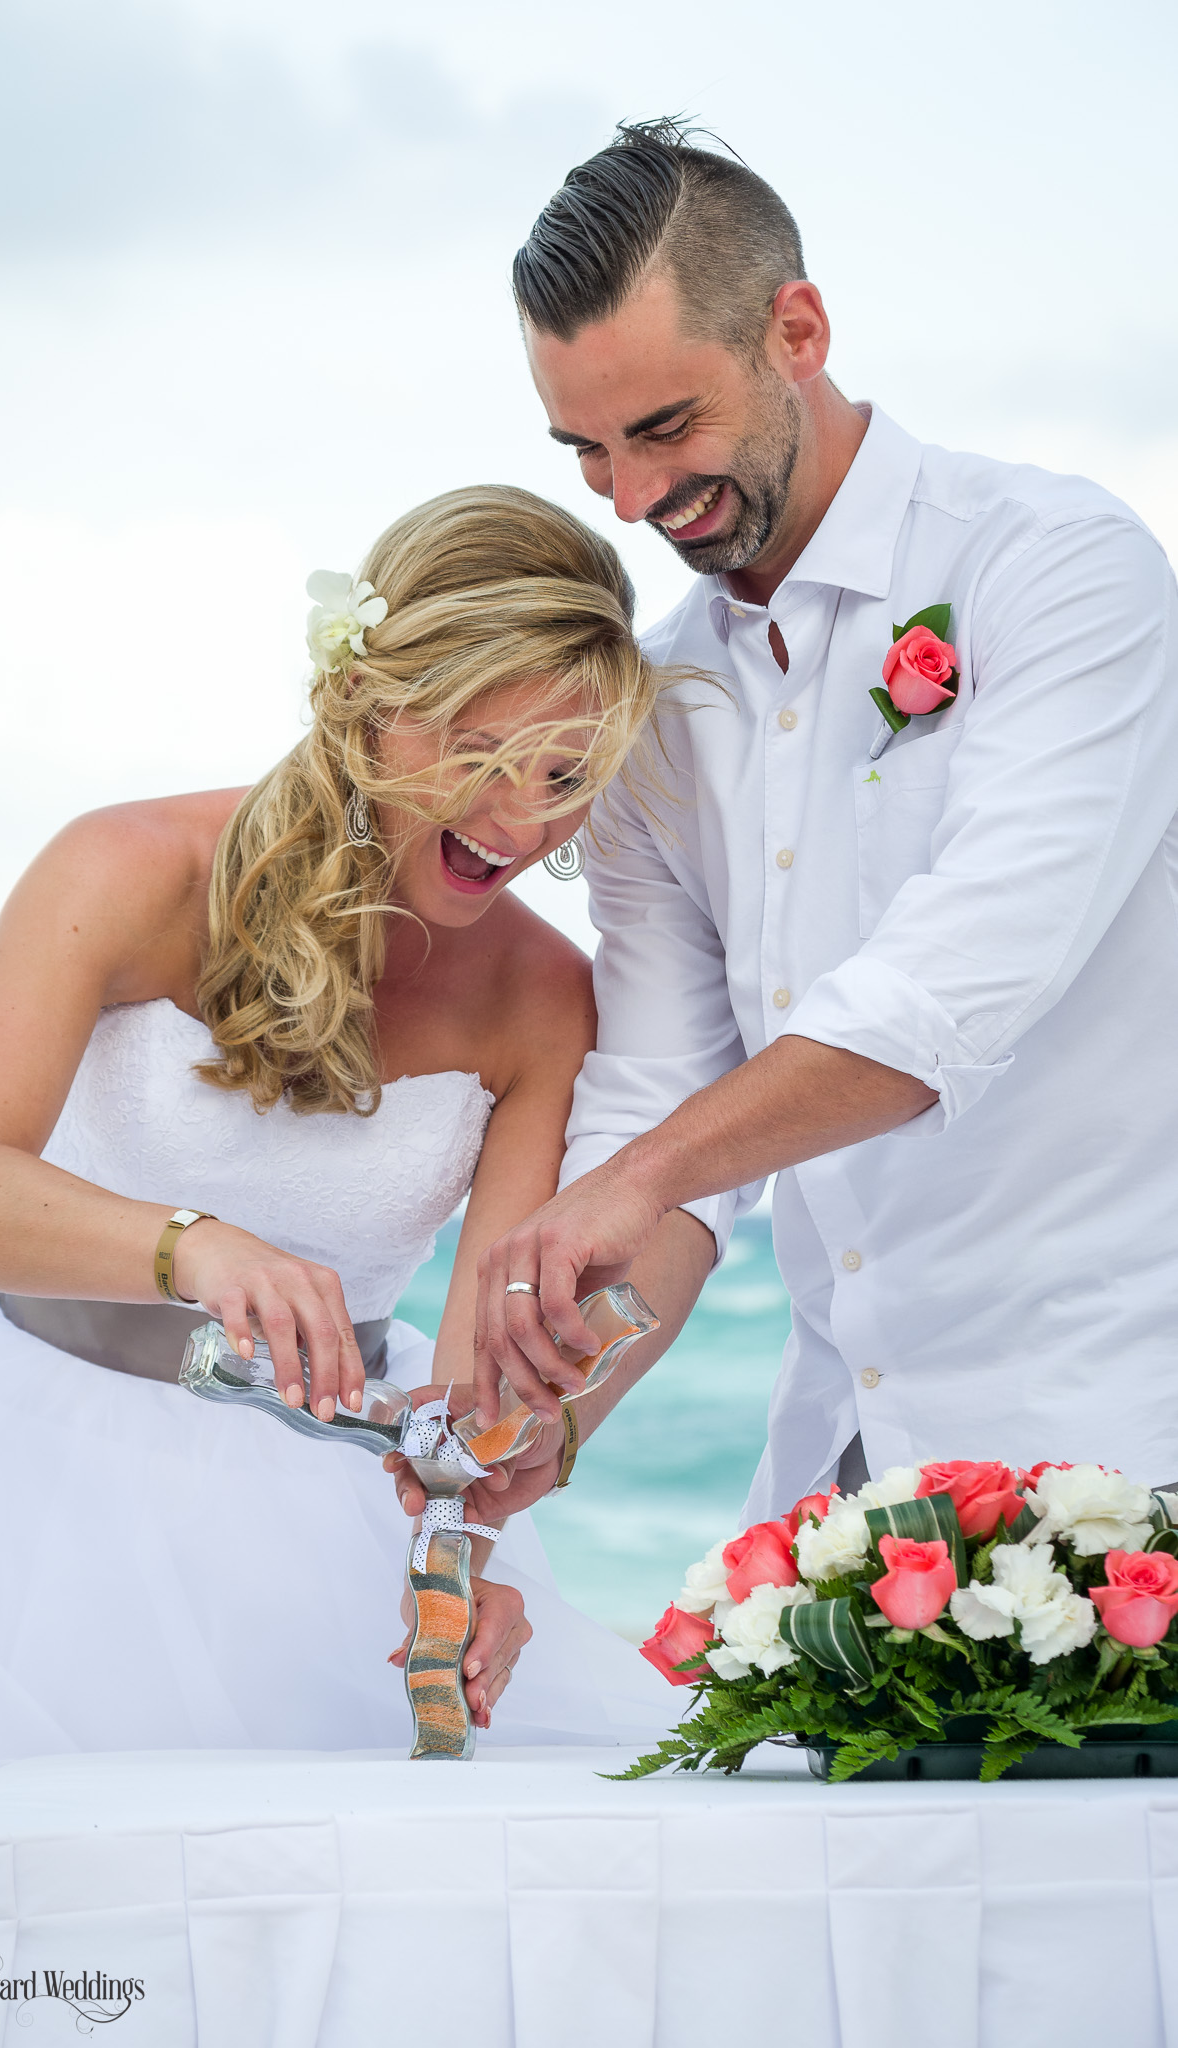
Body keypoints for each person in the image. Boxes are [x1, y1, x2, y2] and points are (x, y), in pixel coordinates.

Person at [0, 484, 677, 1846]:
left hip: (326, 1521)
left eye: (565, 778)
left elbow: (470, 1397)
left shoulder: (544, 998)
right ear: (368, 696)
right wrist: (197, 1247)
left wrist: (470, 1567)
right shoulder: (123, 869)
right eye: (482, 752)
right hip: (39, 1468)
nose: (519, 820)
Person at [419, 121, 1178, 1545]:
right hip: (835, 1483)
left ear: (799, 331)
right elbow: (659, 1091)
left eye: (664, 428)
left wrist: (637, 1179)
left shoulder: (1059, 569)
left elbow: (958, 986)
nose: (635, 499)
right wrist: (566, 1415)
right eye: (584, 450)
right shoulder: (660, 706)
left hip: (1125, 1451)